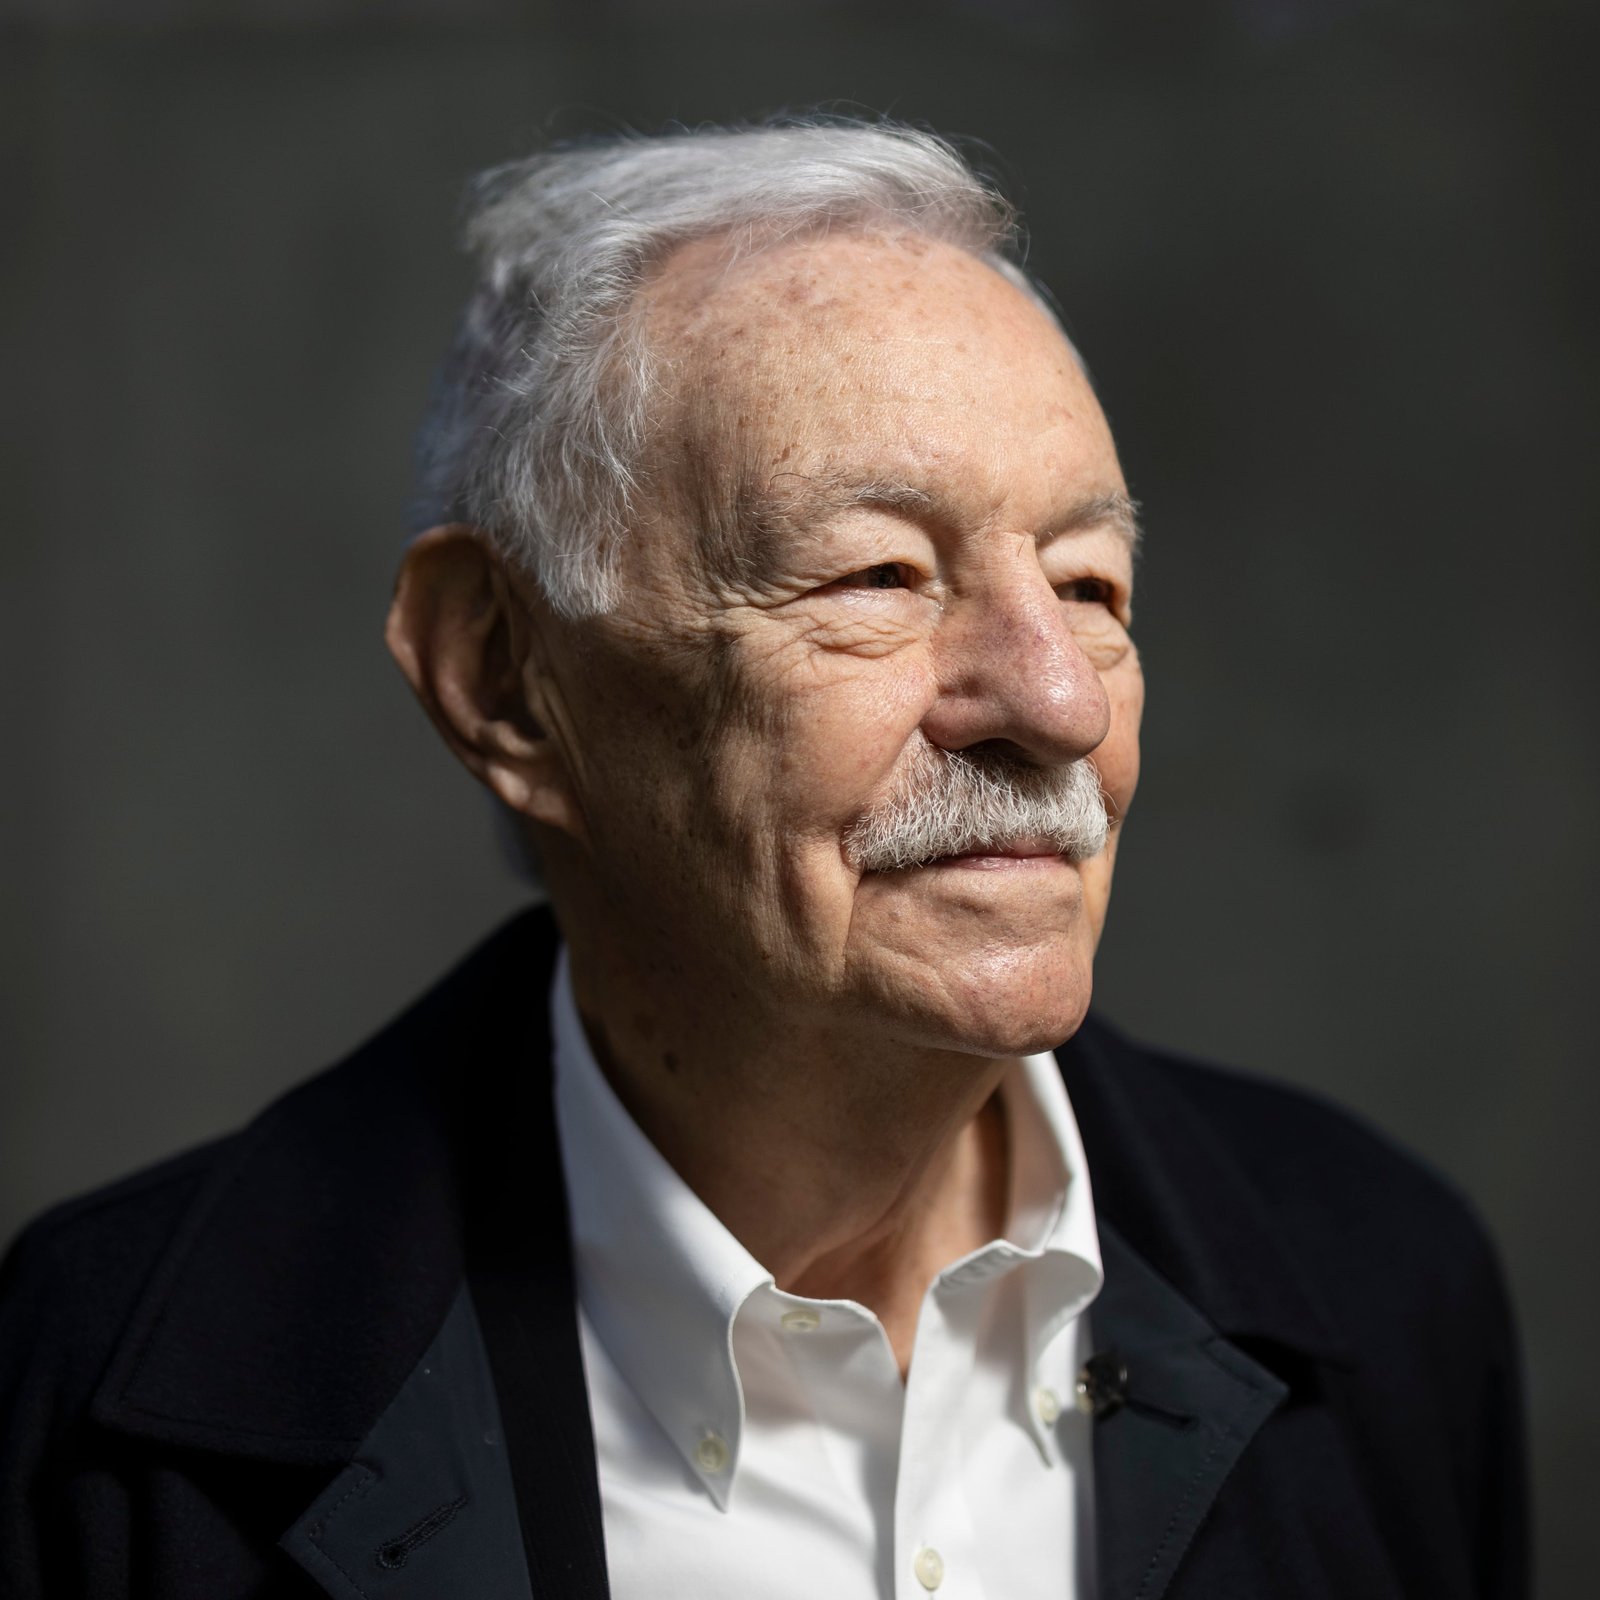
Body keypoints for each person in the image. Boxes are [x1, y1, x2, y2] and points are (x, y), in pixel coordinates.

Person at [0, 119, 1527, 1600]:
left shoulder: (1385, 1290)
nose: (1059, 703)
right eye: (879, 574)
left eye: (1088, 582)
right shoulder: (89, 1412)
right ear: (506, 676)